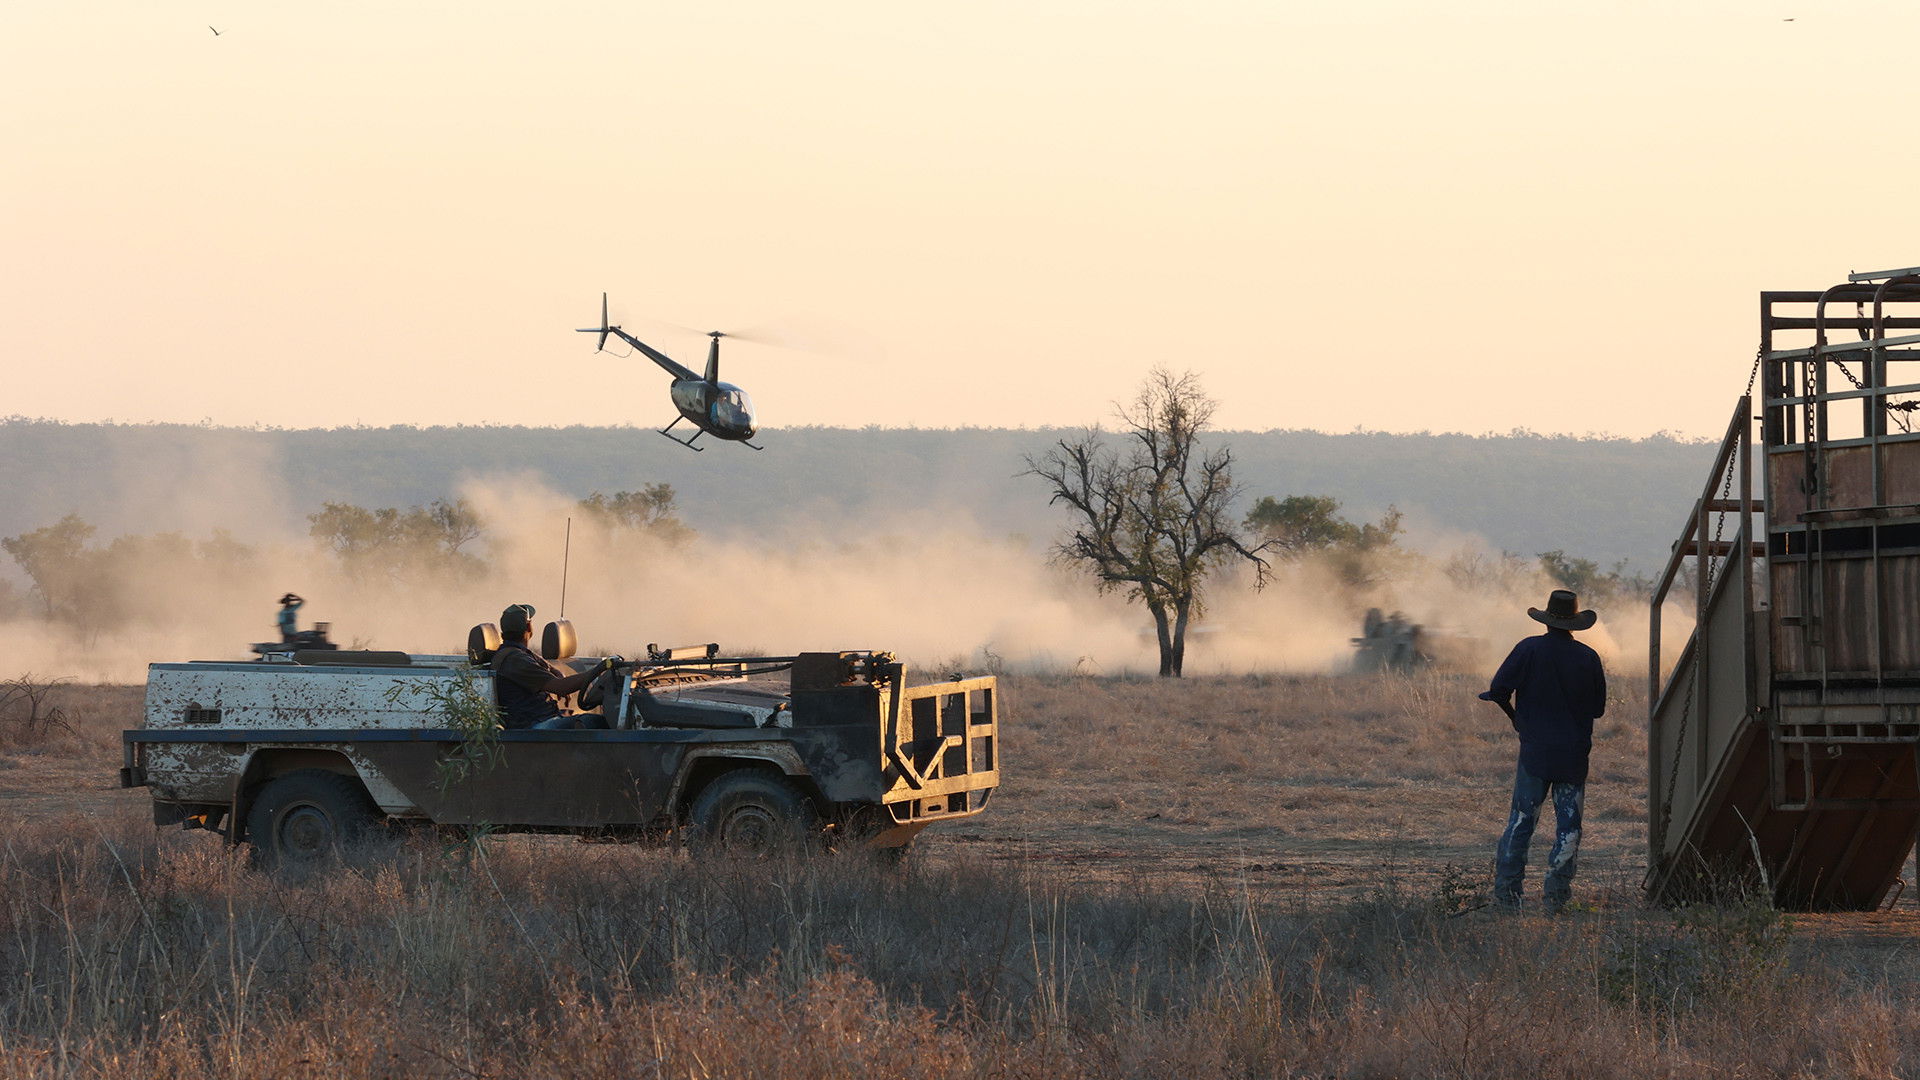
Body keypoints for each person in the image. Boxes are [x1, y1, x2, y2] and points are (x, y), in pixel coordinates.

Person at [1478, 588, 1608, 914]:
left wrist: (1517, 719)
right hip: (1573, 757)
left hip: (1535, 753)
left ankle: (1507, 899)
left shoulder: (1529, 649)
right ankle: (1555, 900)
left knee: (1521, 822)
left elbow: (1497, 691)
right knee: (1569, 828)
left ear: (1546, 620)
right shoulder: (1588, 658)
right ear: (1574, 625)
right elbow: (1597, 710)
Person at [489, 603, 622, 730]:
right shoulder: (516, 660)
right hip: (532, 727)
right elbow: (561, 688)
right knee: (595, 722)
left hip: (541, 720)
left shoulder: (514, 653)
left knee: (592, 721)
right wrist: (599, 669)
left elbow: (540, 662)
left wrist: (555, 670)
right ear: (529, 627)